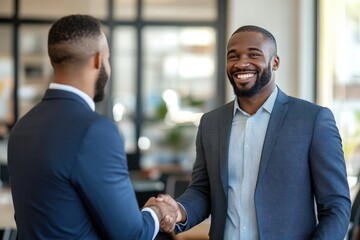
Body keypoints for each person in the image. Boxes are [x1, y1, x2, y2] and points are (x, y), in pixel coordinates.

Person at [157, 25, 351, 239]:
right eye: (233, 57)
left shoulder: (312, 120)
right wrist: (179, 211)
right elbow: (203, 191)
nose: (241, 63)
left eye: (253, 54)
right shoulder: (210, 123)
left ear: (275, 62)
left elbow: (336, 206)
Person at [7, 14, 176, 239]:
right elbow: (131, 234)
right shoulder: (96, 132)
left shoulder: (21, 128)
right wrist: (156, 211)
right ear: (98, 60)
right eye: (108, 58)